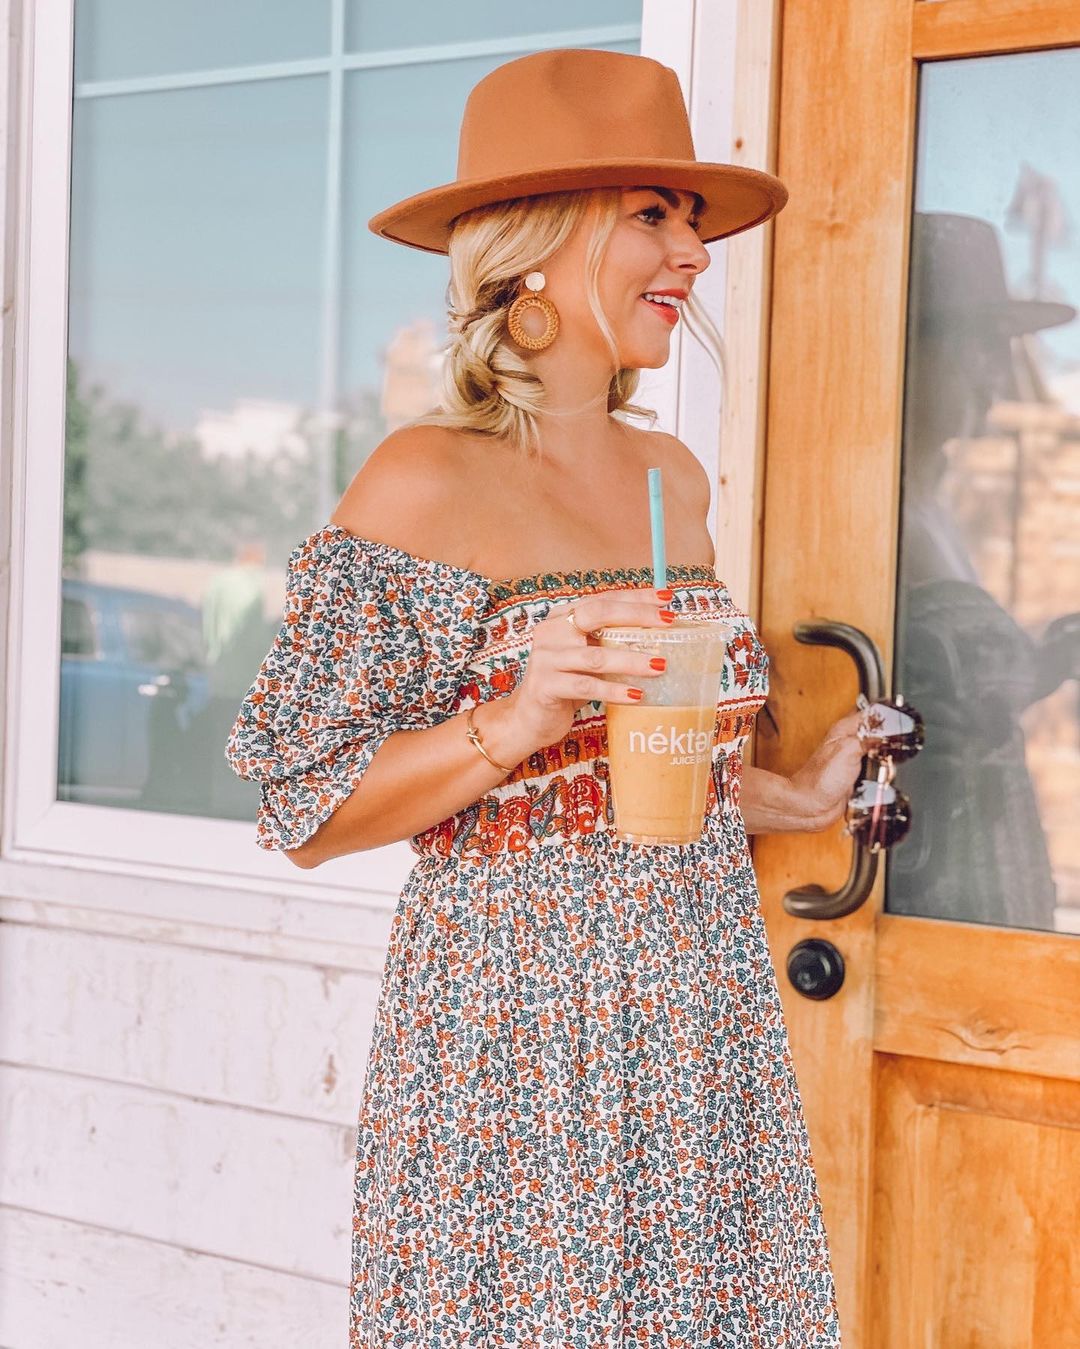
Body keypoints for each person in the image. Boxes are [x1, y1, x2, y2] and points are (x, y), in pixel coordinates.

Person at [225, 48, 862, 1347]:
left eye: (691, 218)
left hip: (699, 1021)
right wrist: (512, 718)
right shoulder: (423, 480)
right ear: (532, 246)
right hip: (516, 1042)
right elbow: (305, 804)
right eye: (652, 214)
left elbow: (639, 770)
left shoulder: (672, 477)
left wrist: (793, 794)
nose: (693, 251)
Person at [894, 211, 1080, 931]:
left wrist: (1043, 664)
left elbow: (956, 693)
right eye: (979, 348)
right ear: (914, 352)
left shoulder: (935, 505)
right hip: (927, 867)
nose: (998, 378)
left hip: (991, 848)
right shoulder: (871, 521)